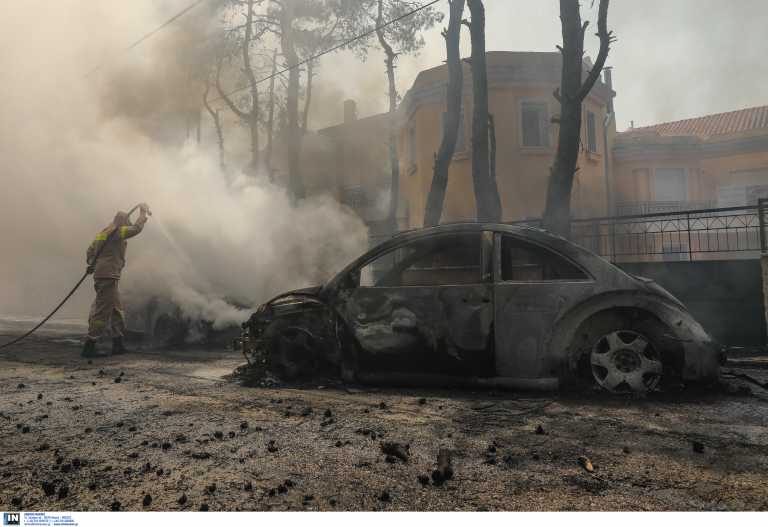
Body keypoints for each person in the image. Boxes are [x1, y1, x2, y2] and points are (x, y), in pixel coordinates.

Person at [82, 204, 150, 358]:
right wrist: (143, 213)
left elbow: (89, 251)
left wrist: (93, 263)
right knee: (102, 312)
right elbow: (136, 229)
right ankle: (90, 346)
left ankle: (118, 344)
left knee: (116, 310)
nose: (128, 225)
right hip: (108, 276)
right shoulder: (116, 232)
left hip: (105, 274)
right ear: (122, 222)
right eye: (127, 222)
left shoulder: (103, 233)